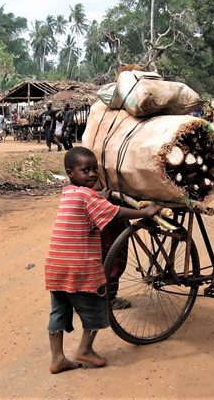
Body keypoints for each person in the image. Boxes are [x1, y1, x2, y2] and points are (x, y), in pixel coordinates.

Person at [45, 147, 161, 372]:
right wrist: (145, 213)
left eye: (94, 170)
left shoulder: (68, 193)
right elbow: (116, 212)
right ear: (70, 172)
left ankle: (57, 358)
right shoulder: (89, 196)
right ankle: (85, 349)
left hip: (55, 267)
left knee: (59, 311)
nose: (91, 174)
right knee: (97, 306)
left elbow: (87, 205)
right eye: (84, 170)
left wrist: (98, 198)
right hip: (79, 267)